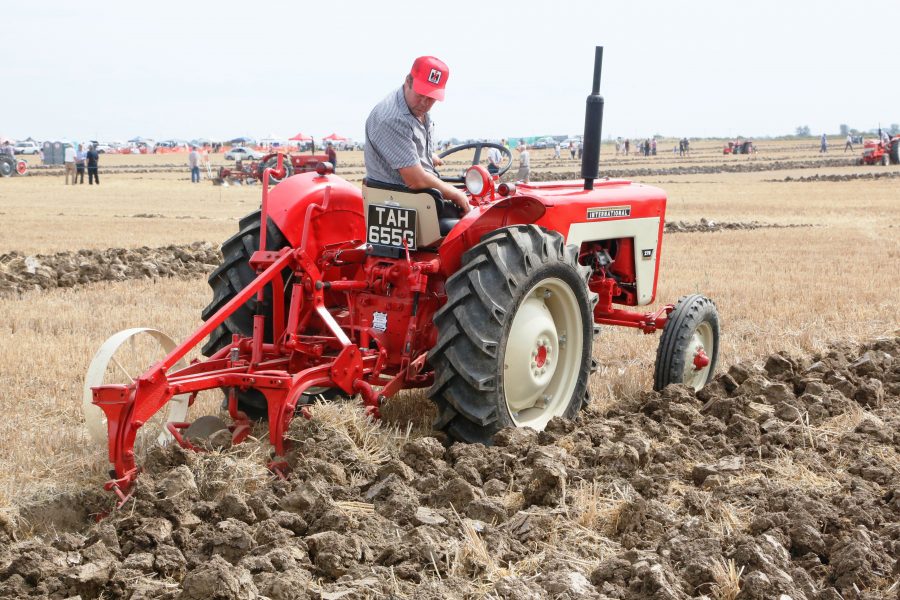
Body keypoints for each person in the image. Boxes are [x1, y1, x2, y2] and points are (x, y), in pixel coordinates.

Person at [364, 55, 469, 214]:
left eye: (431, 99)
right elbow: (416, 180)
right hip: (405, 201)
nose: (424, 103)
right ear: (408, 81)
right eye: (420, 94)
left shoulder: (414, 110)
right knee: (476, 220)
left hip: (415, 196)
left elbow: (405, 143)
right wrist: (454, 193)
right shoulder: (392, 117)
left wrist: (426, 155)